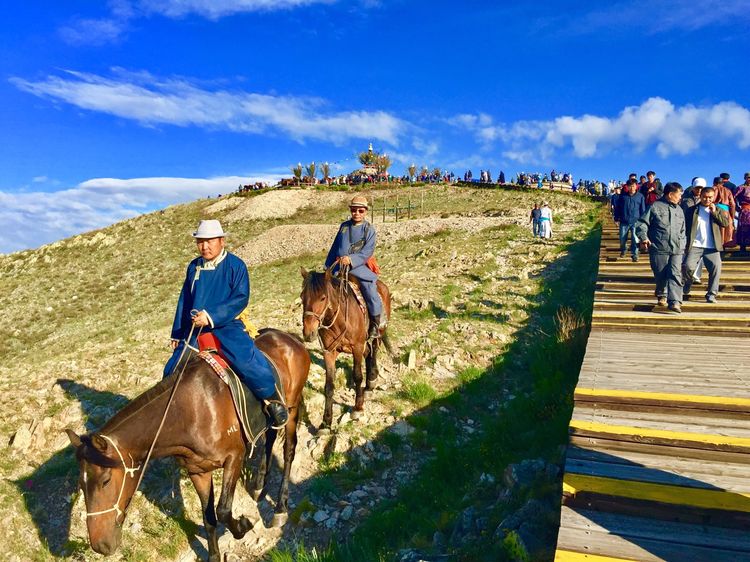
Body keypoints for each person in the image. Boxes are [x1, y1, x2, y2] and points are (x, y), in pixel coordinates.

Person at [164, 219, 288, 426]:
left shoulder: (235, 265)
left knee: (247, 361)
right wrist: (177, 333)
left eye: (209, 241)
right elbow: (184, 299)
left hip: (226, 325)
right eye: (200, 242)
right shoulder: (194, 267)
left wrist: (211, 316)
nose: (204, 246)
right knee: (172, 367)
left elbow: (240, 298)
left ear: (221, 241)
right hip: (195, 328)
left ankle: (271, 399)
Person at [325, 195, 382, 340]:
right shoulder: (344, 226)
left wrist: (351, 259)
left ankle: (375, 324)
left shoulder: (369, 229)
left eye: (360, 211)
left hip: (358, 267)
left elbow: (367, 251)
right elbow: (335, 246)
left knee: (369, 288)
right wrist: (328, 265)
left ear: (365, 212)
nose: (357, 213)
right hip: (338, 266)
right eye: (354, 210)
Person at [635, 183, 686, 313]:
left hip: (677, 249)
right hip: (659, 248)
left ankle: (675, 302)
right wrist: (643, 237)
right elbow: (642, 224)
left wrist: (683, 245)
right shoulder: (654, 206)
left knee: (675, 274)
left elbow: (683, 230)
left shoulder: (679, 210)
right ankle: (661, 293)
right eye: (679, 194)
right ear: (670, 194)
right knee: (661, 274)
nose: (680, 197)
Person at [682, 187, 729, 303]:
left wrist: (714, 212)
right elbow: (685, 226)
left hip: (712, 247)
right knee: (687, 267)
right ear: (700, 196)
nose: (707, 199)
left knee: (715, 270)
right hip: (695, 245)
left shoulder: (718, 209)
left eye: (710, 197)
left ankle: (711, 294)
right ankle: (687, 284)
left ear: (713, 198)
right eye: (705, 197)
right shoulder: (692, 210)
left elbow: (725, 223)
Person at [681, 177, 706, 284]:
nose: (699, 190)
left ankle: (696, 276)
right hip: (687, 229)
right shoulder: (685, 199)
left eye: (701, 188)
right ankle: (685, 275)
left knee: (699, 255)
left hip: (701, 230)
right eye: (697, 188)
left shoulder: (706, 199)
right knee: (686, 253)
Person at [614, 178, 646, 261]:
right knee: (622, 239)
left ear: (636, 186)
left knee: (635, 240)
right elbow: (618, 208)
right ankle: (624, 250)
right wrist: (616, 218)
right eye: (630, 186)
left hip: (636, 222)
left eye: (633, 186)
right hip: (624, 221)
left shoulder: (640, 196)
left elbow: (642, 210)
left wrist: (643, 221)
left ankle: (635, 255)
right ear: (627, 187)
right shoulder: (623, 196)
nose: (632, 188)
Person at [711, 176, 736, 248]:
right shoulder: (728, 190)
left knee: (717, 229)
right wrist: (732, 216)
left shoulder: (712, 189)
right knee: (726, 230)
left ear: (714, 182)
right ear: (722, 183)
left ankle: (717, 246)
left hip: (714, 209)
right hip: (726, 211)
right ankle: (724, 246)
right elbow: (733, 205)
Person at [735, 173, 750, 253]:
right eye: (748, 177)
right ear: (745, 178)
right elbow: (733, 198)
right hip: (745, 211)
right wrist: (736, 207)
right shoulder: (740, 188)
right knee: (743, 229)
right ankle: (742, 247)